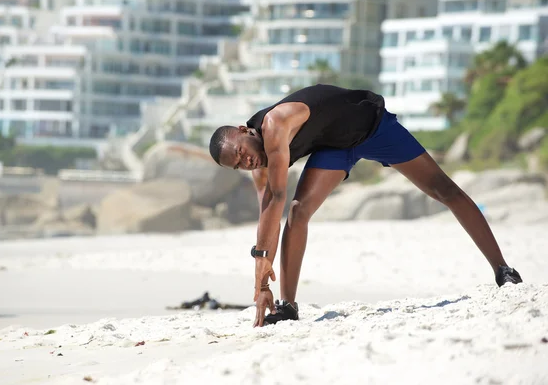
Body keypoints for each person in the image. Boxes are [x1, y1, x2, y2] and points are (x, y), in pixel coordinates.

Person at [208, 84, 522, 328]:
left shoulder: (274, 125)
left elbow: (276, 197)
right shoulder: (259, 163)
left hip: (373, 128)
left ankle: (503, 269)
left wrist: (262, 269)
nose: (245, 162)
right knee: (299, 211)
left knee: (444, 189)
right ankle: (288, 306)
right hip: (334, 147)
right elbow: (269, 212)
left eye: (240, 152)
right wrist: (262, 283)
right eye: (237, 166)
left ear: (244, 130)